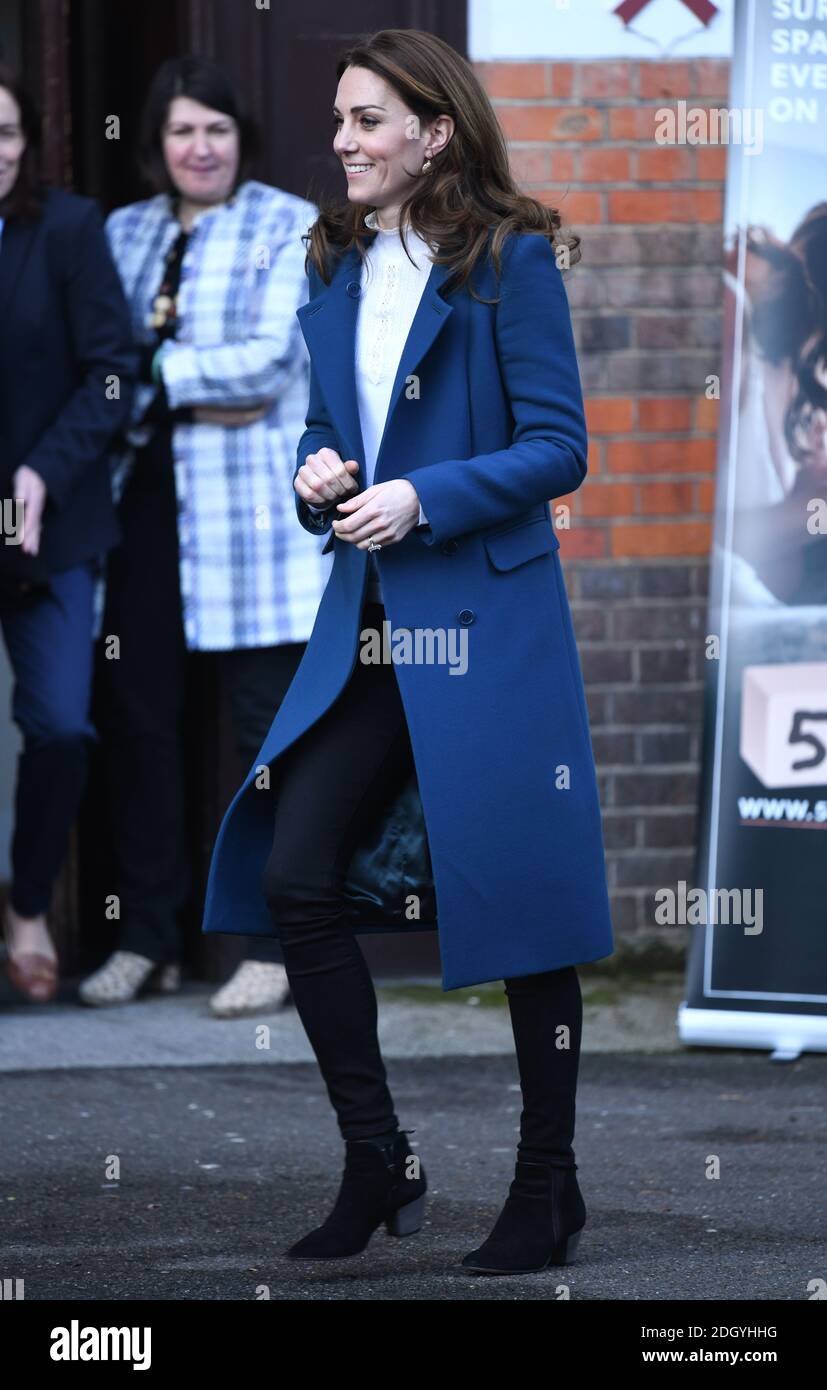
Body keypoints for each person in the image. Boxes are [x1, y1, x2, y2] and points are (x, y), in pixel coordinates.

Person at [201, 28, 614, 1274]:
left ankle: (549, 1188)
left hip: (486, 621)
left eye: (367, 121)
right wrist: (318, 480)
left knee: (526, 904)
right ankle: (379, 1158)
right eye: (337, 120)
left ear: (433, 131)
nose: (341, 141)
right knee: (296, 878)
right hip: (372, 622)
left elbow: (559, 448)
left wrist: (424, 495)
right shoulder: (331, 267)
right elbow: (327, 447)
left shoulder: (508, 259)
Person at [79, 57, 330, 1010]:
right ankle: (150, 935)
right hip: (140, 510)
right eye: (183, 131)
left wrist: (151, 371)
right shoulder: (122, 232)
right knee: (141, 726)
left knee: (265, 731)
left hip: (250, 519)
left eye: (216, 130)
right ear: (157, 144)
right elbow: (98, 365)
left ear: (240, 140)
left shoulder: (284, 224)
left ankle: (275, 945)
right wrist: (166, 376)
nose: (200, 148)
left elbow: (267, 365)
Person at [0, 66, 136, 1003]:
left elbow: (113, 373)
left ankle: (27, 903)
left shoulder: (68, 230)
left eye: (7, 135)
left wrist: (41, 471)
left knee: (60, 725)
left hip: (45, 525)